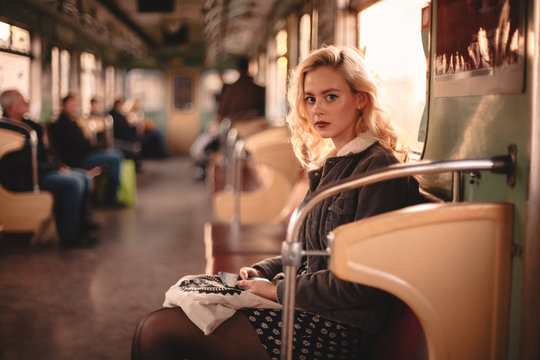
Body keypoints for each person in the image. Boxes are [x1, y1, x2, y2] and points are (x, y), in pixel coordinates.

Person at [130, 45, 420, 360]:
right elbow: (309, 254)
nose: (317, 109)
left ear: (360, 99)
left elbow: (364, 281)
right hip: (310, 307)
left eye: (331, 96)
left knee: (156, 331)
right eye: (310, 99)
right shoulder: (333, 162)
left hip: (337, 328)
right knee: (171, 314)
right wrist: (260, 270)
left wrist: (278, 290)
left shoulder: (377, 169)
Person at [0, 89, 99, 246]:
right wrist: (51, 168)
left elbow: (46, 152)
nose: (27, 103)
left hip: (40, 170)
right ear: (11, 107)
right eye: (22, 101)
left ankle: (83, 226)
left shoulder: (30, 126)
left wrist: (57, 165)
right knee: (74, 183)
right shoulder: (7, 131)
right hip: (26, 177)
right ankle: (69, 236)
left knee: (84, 177)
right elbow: (20, 164)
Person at [51, 94, 124, 207]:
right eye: (71, 105)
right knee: (115, 157)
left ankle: (107, 195)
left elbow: (82, 143)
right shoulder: (62, 124)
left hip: (84, 153)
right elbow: (79, 144)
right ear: (63, 106)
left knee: (115, 153)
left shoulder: (72, 122)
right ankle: (110, 198)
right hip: (78, 158)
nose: (74, 108)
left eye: (75, 105)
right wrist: (95, 147)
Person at [217, 57, 265, 122]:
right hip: (256, 125)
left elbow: (222, 113)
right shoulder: (258, 89)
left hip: (237, 126)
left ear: (238, 69)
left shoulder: (231, 89)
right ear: (248, 67)